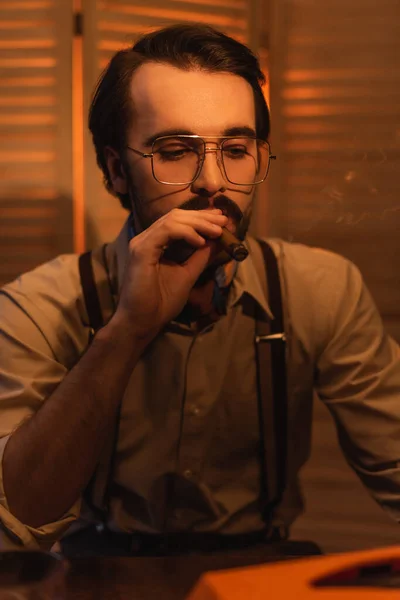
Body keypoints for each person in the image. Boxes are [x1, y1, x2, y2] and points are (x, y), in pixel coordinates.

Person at [0, 23, 399, 556]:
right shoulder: (40, 306)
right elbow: (22, 519)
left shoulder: (318, 289)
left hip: (259, 569)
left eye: (236, 148)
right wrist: (126, 332)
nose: (213, 181)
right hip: (98, 571)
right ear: (117, 170)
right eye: (174, 150)